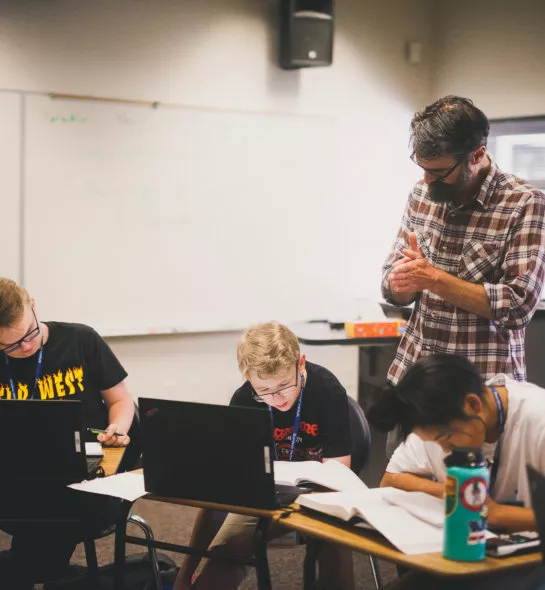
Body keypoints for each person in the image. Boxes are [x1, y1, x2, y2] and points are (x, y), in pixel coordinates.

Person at [174, 321, 355, 590]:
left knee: (335, 545)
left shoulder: (327, 390)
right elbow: (226, 490)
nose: (278, 399)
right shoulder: (244, 400)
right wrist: (185, 572)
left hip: (319, 497)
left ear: (300, 363)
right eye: (265, 391)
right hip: (264, 500)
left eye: (284, 385)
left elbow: (339, 473)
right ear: (249, 379)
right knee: (225, 550)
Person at [382, 95, 545, 387]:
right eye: (422, 168)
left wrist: (434, 279)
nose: (427, 180)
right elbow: (392, 284)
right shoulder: (421, 194)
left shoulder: (524, 204)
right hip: (415, 376)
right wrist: (400, 283)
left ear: (477, 155)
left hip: (481, 389)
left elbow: (518, 306)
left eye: (438, 171)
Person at [365, 353, 545, 590]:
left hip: (530, 560)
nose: (444, 451)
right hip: (473, 556)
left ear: (473, 405)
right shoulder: (437, 417)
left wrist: (497, 513)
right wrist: (451, 493)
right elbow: (391, 481)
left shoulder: (537, 419)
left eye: (447, 439)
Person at [0, 277, 135, 589]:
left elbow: (121, 400)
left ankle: (32, 569)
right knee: (39, 508)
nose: (26, 346)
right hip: (19, 477)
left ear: (33, 306)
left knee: (50, 514)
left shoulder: (80, 339)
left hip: (91, 472)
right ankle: (46, 571)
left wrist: (117, 429)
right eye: (10, 345)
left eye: (29, 334)